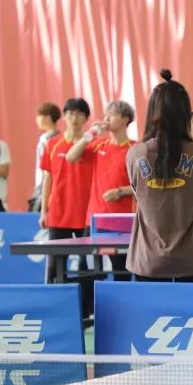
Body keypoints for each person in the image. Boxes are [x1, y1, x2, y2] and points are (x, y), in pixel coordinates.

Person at [125, 70, 193, 283]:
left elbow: (137, 191)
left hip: (148, 259)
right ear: (186, 114)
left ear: (151, 112)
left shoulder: (135, 153)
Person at [40, 98, 97, 314]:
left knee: (86, 265)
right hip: (59, 213)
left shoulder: (94, 145)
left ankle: (86, 311)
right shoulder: (52, 144)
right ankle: (52, 308)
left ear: (86, 118)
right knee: (55, 264)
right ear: (64, 117)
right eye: (70, 113)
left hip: (86, 215)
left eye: (79, 114)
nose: (74, 118)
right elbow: (47, 179)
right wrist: (43, 211)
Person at [68, 99, 136, 280]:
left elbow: (146, 186)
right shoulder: (99, 144)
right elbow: (71, 157)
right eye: (106, 115)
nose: (106, 119)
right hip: (95, 220)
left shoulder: (135, 148)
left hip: (122, 221)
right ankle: (90, 300)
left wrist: (121, 191)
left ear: (125, 119)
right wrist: (90, 134)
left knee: (121, 271)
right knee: (87, 270)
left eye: (112, 115)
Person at [30, 102, 61, 212]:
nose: (37, 119)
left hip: (45, 186)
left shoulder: (46, 140)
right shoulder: (61, 137)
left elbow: (45, 168)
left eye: (39, 116)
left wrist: (41, 189)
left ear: (48, 117)